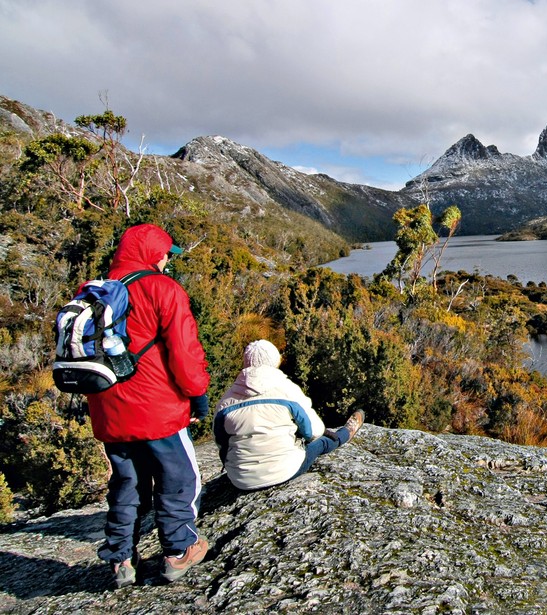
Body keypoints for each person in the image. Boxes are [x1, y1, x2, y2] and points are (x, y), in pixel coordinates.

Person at [86, 223, 211, 588]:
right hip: (156, 409)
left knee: (127, 481)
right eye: (164, 254)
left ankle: (121, 558)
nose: (165, 261)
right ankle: (179, 550)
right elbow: (185, 354)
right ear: (154, 254)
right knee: (179, 478)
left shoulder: (96, 291)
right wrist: (197, 395)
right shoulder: (162, 289)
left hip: (109, 408)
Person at [213, 340, 364, 492]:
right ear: (274, 361)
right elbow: (314, 432)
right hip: (284, 471)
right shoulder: (287, 390)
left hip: (240, 480)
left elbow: (221, 443)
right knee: (323, 442)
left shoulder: (225, 401)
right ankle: (346, 433)